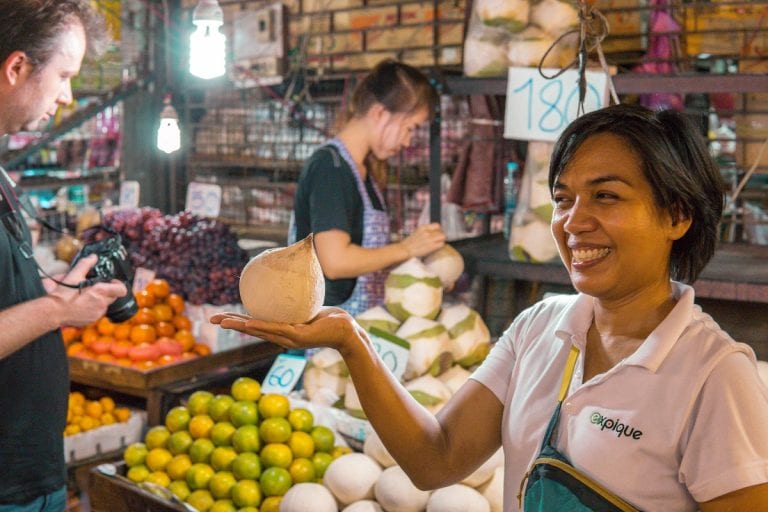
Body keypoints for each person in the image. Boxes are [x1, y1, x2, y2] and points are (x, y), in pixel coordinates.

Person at [214, 103, 768, 511]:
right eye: (562, 198)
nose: (574, 221)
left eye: (606, 196)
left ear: (676, 215)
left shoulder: (715, 376)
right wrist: (349, 340)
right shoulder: (539, 328)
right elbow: (438, 458)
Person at [0, 2, 128, 509]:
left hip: (28, 471)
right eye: (64, 75)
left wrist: (48, 292)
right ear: (16, 67)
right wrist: (58, 310)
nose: (69, 96)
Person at [290, 59, 446, 316]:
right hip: (325, 334)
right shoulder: (330, 168)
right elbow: (335, 262)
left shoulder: (362, 171)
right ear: (380, 114)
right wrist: (407, 248)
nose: (408, 141)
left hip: (360, 324)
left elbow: (366, 253)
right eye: (410, 128)